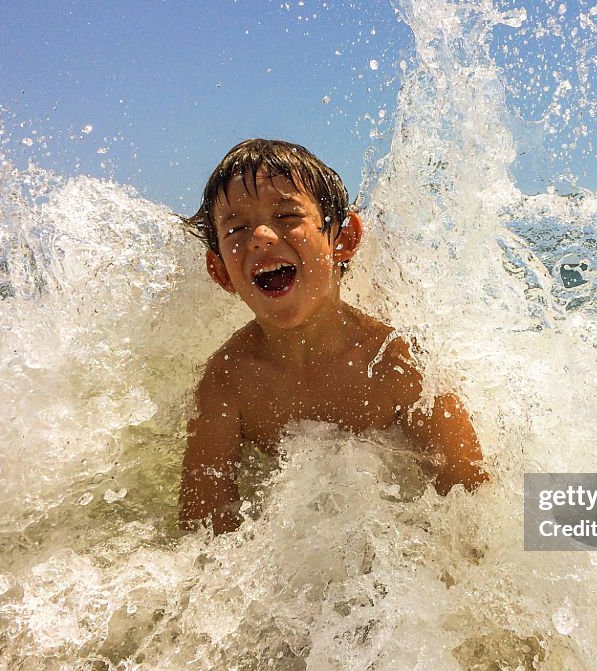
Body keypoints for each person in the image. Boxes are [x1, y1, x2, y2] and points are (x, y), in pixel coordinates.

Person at [179, 138, 488, 534]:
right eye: (236, 228)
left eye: (287, 216)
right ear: (220, 271)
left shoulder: (398, 363)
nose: (259, 236)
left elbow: (472, 504)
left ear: (343, 241)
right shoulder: (228, 383)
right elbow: (202, 529)